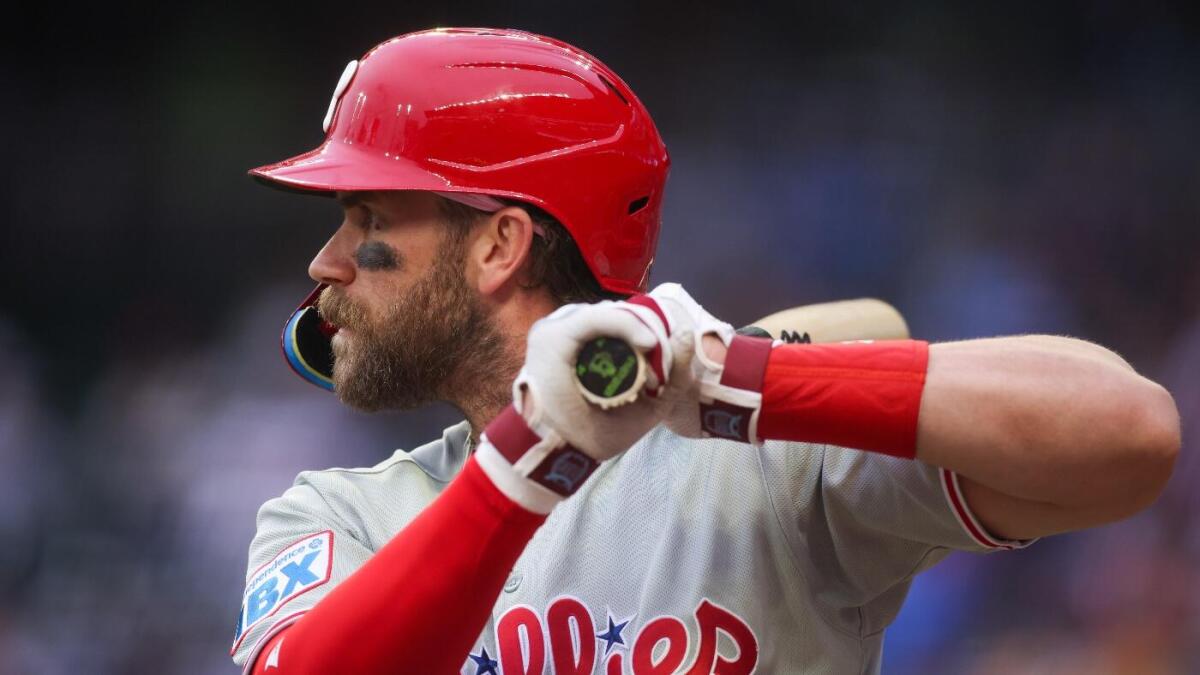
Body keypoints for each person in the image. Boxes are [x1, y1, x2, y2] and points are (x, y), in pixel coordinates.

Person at [231, 28, 1180, 674]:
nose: (326, 263)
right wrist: (532, 453)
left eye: (367, 219)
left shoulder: (756, 457)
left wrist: (734, 379)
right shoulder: (341, 512)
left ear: (499, 246)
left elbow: (1131, 433)